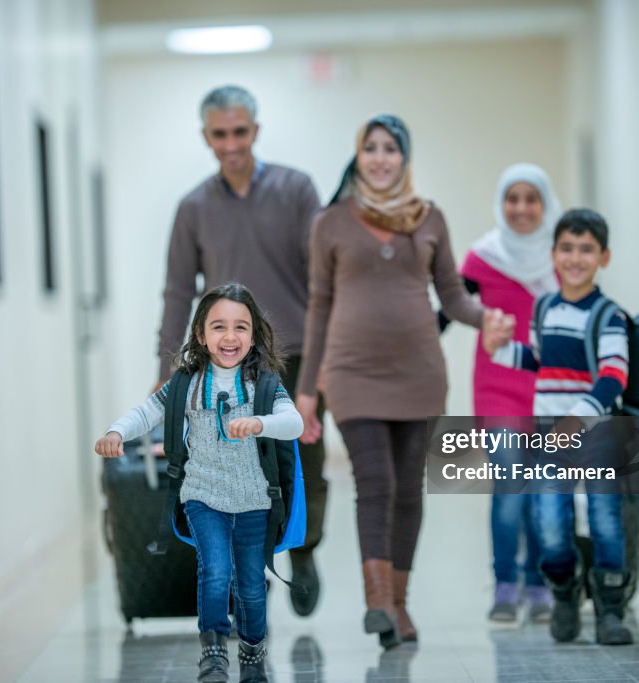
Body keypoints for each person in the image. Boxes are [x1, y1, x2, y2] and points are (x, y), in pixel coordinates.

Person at [295, 114, 496, 648]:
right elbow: (318, 306)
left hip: (419, 372)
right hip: (351, 372)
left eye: (391, 148)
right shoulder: (330, 223)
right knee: (375, 482)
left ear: (404, 158)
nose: (381, 157)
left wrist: (487, 319)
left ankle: (398, 607)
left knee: (409, 491)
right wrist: (308, 390)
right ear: (358, 156)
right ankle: (377, 599)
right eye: (371, 148)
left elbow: (452, 295)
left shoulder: (429, 219)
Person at [155, 85, 328, 616]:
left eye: (239, 132)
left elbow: (324, 286)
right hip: (226, 360)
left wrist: (315, 380)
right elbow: (178, 292)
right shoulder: (193, 208)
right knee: (232, 470)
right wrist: (167, 375)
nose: (231, 144)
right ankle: (252, 576)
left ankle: (302, 550)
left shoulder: (297, 191)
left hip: (293, 353)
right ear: (207, 137)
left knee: (302, 466)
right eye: (219, 134)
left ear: (255, 130)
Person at [97, 283, 303, 682]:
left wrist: (261, 422)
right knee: (214, 571)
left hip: (254, 498)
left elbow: (292, 422)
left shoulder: (264, 384)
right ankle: (213, 654)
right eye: (219, 327)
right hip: (203, 495)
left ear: (255, 334)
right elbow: (146, 413)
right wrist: (117, 432)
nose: (230, 337)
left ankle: (252, 652)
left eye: (241, 327)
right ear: (200, 334)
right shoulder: (185, 385)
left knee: (250, 583)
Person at [482, 208, 634, 645]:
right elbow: (538, 361)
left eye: (586, 249)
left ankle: (609, 610)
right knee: (549, 525)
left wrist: (576, 420)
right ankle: (564, 594)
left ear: (603, 257)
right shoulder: (545, 308)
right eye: (567, 248)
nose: (575, 257)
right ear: (553, 255)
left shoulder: (609, 316)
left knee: (606, 524)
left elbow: (613, 376)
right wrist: (499, 350)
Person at [440, 163, 560, 625]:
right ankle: (506, 583)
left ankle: (539, 582)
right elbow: (450, 309)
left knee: (541, 491)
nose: (522, 208)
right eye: (513, 198)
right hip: (498, 387)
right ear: (501, 203)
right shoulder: (483, 257)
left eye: (532, 198)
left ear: (545, 204)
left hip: (552, 388)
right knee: (511, 485)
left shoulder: (559, 256)